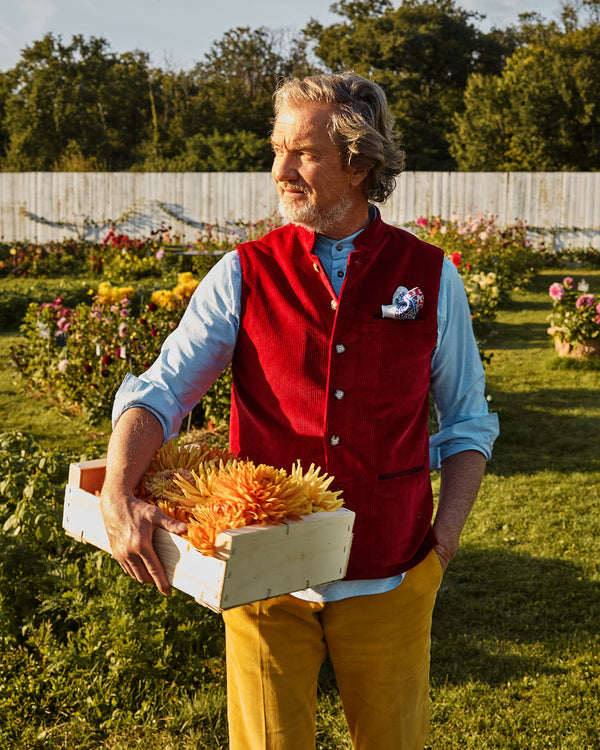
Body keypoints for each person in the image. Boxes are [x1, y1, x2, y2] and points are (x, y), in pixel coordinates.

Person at [100, 72, 499, 750]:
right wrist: (115, 487)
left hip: (391, 572)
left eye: (304, 153)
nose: (280, 170)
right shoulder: (244, 271)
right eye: (277, 149)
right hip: (261, 577)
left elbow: (466, 420)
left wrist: (444, 542)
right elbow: (163, 390)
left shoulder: (430, 276)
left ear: (359, 161)